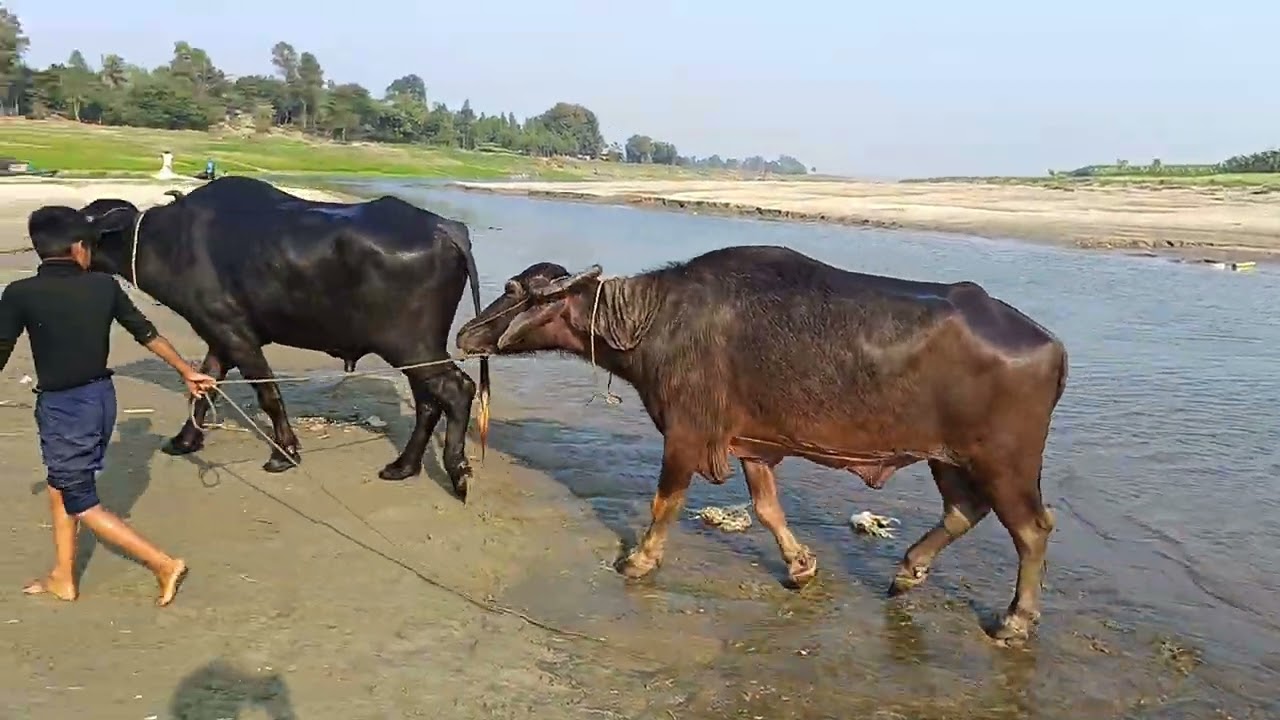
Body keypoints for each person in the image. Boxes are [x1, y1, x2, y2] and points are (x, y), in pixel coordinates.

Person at [0, 205, 217, 606]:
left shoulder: (20, 294)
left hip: (65, 408)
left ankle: (164, 563)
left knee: (80, 499)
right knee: (59, 485)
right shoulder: (104, 286)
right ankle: (64, 578)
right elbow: (146, 333)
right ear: (78, 247)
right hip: (101, 400)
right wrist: (186, 372)